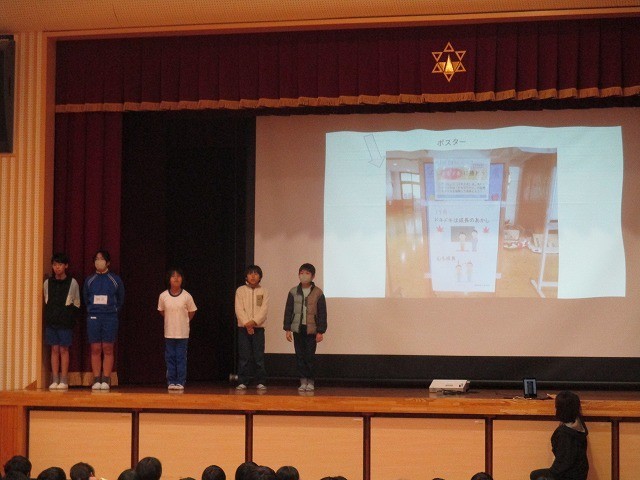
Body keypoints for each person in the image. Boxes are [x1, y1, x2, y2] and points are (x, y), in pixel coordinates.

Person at [83, 249, 125, 390]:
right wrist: (92, 310)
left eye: (101, 259)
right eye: (96, 259)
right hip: (94, 317)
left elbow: (121, 299)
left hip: (110, 317)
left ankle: (106, 379)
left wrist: (112, 310)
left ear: (108, 262)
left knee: (108, 348)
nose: (98, 261)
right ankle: (96, 379)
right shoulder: (89, 280)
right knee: (95, 348)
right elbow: (86, 299)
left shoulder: (115, 280)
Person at [283, 263, 327, 391]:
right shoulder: (293, 291)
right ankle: (302, 380)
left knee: (310, 356)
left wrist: (320, 331)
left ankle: (311, 381)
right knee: (300, 356)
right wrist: (287, 329)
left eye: (307, 273)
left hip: (311, 330)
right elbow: (288, 311)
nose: (304, 276)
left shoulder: (318, 292)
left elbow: (322, 313)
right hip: (298, 329)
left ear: (313, 276)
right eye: (301, 273)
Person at [530, 390, 589, 480]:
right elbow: (570, 404)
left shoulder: (564, 434)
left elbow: (563, 464)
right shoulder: (578, 423)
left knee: (535, 475)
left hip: (569, 475)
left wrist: (550, 475)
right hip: (580, 472)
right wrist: (559, 399)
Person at [43, 253, 81, 390]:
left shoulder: (72, 282)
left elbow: (77, 303)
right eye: (54, 264)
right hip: (51, 322)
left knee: (64, 349)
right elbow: (46, 300)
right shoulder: (47, 283)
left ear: (66, 266)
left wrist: (69, 318)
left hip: (65, 323)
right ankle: (55, 379)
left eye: (60, 264)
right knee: (54, 349)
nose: (57, 267)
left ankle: (64, 380)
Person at [158, 267, 197, 391]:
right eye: (173, 276)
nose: (176, 278)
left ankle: (180, 381)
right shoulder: (163, 296)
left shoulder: (187, 296)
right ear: (169, 279)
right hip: (169, 333)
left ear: (182, 279)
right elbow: (162, 311)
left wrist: (183, 321)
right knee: (170, 357)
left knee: (180, 357)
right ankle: (171, 381)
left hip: (182, 333)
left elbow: (192, 311)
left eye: (178, 276)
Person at [234, 265, 269, 390]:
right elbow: (239, 309)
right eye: (250, 273)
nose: (253, 276)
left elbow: (264, 310)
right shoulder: (240, 290)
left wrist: (254, 322)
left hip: (258, 328)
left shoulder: (264, 291)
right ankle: (242, 381)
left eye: (256, 273)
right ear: (246, 276)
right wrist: (247, 323)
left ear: (260, 277)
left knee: (259, 356)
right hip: (243, 328)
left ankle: (261, 381)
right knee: (244, 356)